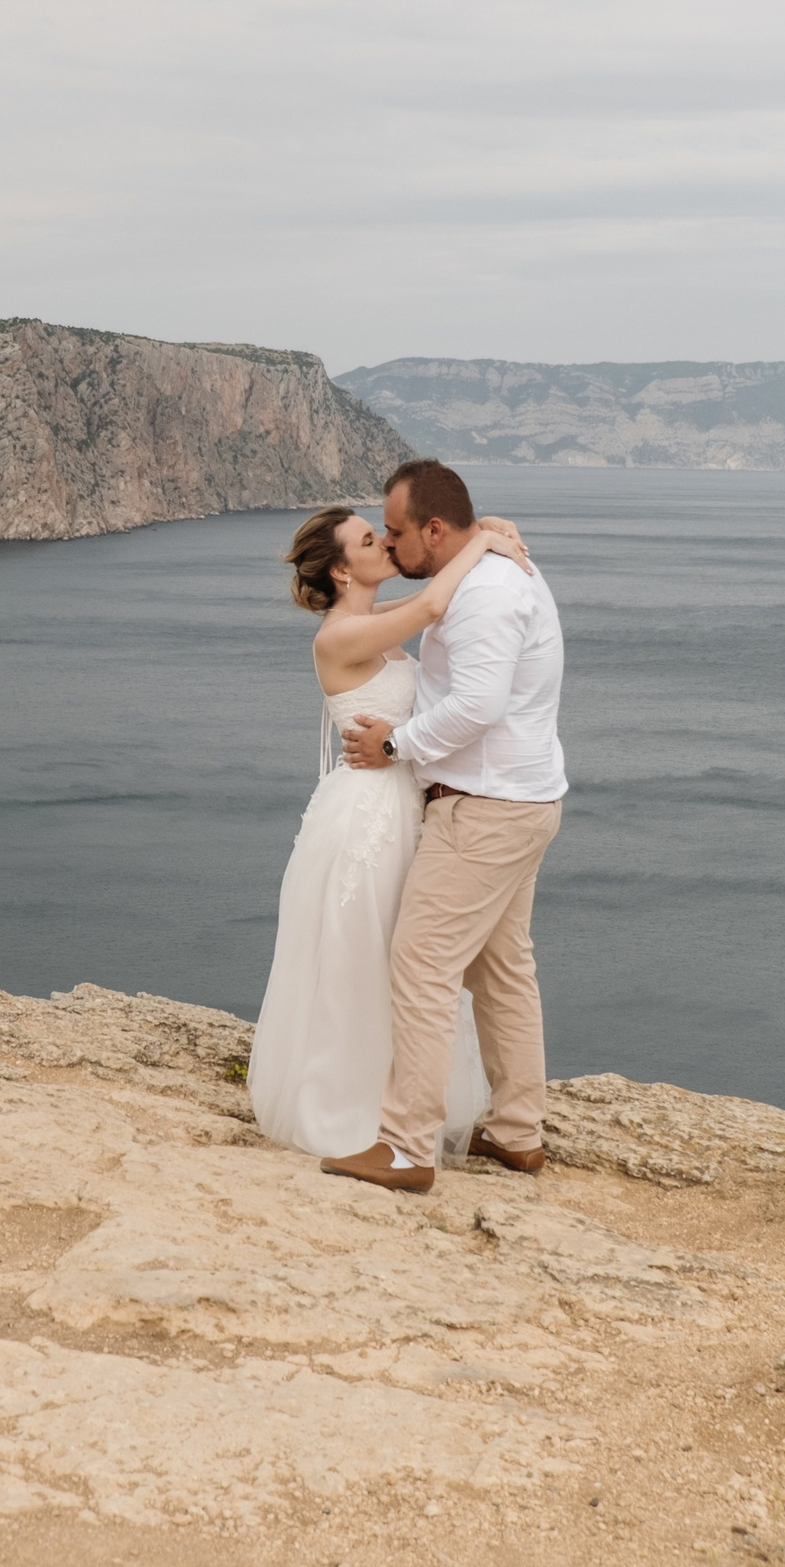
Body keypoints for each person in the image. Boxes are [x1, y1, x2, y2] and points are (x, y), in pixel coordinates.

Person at [245, 501, 531, 1157]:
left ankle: (398, 1107)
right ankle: (353, 1112)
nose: (385, 545)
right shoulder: (339, 636)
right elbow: (434, 606)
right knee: (363, 960)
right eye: (370, 540)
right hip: (365, 818)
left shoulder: (371, 624)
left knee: (406, 961)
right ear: (343, 572)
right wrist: (481, 539)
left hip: (401, 809)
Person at [319, 459, 568, 1192]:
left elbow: (480, 706)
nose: (389, 546)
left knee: (423, 966)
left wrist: (397, 745)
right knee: (501, 970)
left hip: (485, 808)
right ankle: (519, 1132)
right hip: (523, 800)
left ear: (435, 528)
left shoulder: (487, 590)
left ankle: (405, 1148)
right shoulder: (493, 568)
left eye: (395, 532)